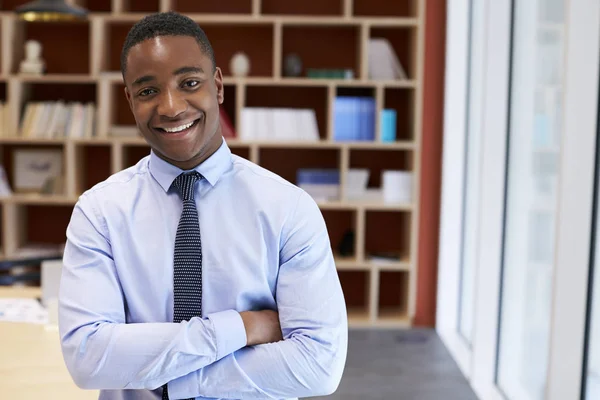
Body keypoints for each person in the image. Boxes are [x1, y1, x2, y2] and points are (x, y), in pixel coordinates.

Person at [58, 10, 348, 400]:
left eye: (189, 83)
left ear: (218, 87)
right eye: (148, 91)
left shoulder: (288, 208)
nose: (172, 107)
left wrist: (176, 379)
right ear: (129, 100)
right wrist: (242, 328)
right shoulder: (99, 212)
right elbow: (89, 359)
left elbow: (318, 366)